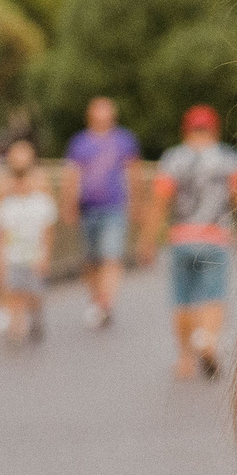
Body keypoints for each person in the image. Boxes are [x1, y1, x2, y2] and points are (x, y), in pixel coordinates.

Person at [151, 104, 237, 380]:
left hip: (182, 237)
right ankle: (208, 342)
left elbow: (160, 200)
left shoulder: (173, 159)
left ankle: (184, 358)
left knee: (182, 298)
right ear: (215, 129)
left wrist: (147, 240)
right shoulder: (228, 158)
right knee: (213, 296)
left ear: (186, 129)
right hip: (215, 239)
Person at [62, 96, 140, 328]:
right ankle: (97, 299)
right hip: (88, 208)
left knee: (111, 255)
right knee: (91, 260)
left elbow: (133, 172)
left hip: (114, 207)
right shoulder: (80, 143)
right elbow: (72, 175)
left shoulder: (124, 140)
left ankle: (106, 302)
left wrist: (137, 203)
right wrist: (68, 204)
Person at [0, 138, 56, 344]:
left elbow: (47, 221)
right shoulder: (2, 182)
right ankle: (14, 322)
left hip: (32, 248)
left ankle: (33, 317)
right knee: (10, 284)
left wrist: (45, 254)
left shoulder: (40, 181)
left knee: (32, 290)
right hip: (10, 245)